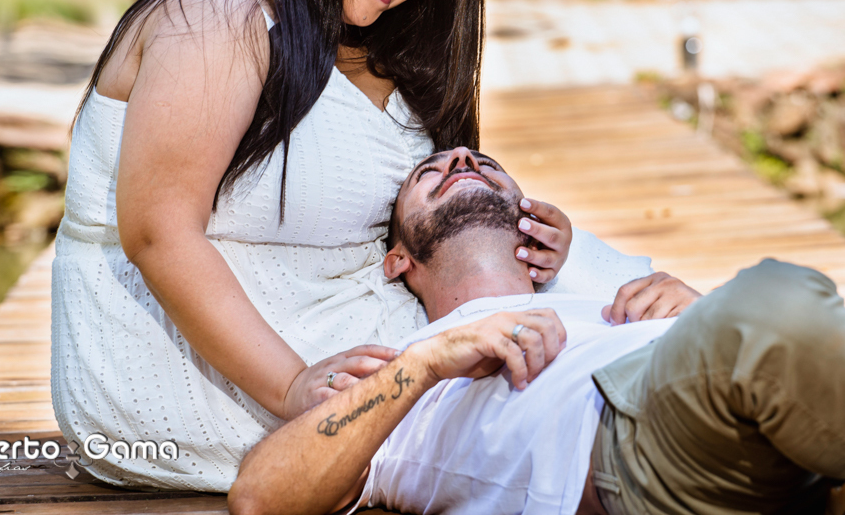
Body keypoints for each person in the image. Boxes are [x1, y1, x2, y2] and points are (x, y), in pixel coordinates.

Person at [52, 0, 582, 491]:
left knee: (616, 325)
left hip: (371, 347)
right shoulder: (218, 18)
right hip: (213, 381)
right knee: (570, 407)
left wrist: (535, 247)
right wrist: (292, 385)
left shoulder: (366, 34)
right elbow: (158, 234)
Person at [228, 148, 845, 515]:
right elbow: (258, 496)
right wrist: (429, 362)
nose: (463, 160)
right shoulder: (405, 371)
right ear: (398, 261)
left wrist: (700, 313)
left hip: (733, 407)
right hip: (629, 448)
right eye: (430, 173)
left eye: (485, 163)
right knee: (777, 296)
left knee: (777, 305)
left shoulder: (600, 299)